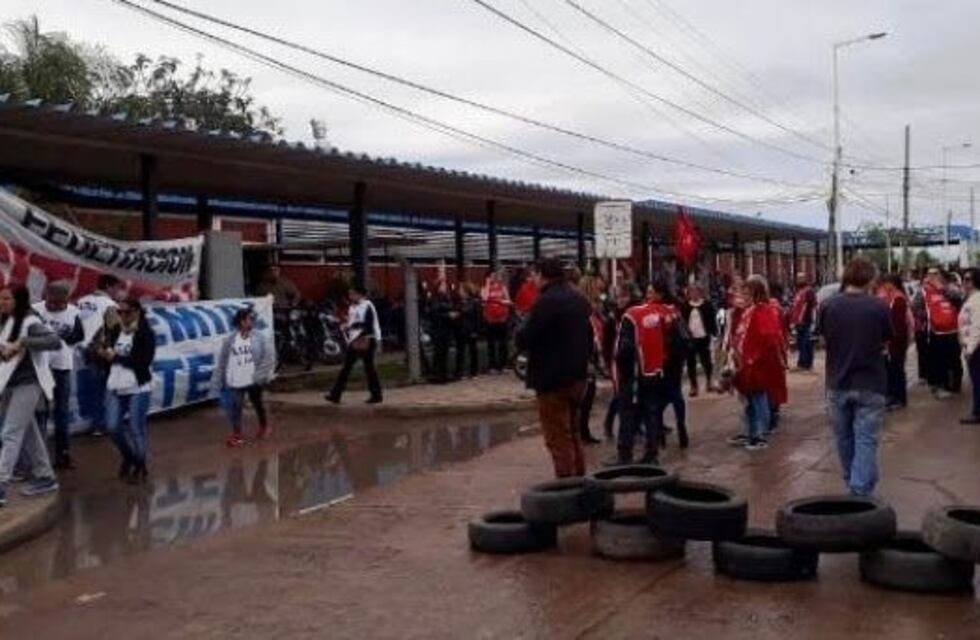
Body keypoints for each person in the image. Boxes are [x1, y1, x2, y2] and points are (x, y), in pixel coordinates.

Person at [817, 258, 891, 496]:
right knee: (866, 439)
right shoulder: (879, 306)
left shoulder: (828, 306)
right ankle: (859, 491)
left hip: (837, 381)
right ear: (870, 278)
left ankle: (854, 483)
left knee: (844, 438)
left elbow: (822, 339)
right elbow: (887, 339)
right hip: (871, 383)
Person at [515, 258, 592, 477]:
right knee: (574, 432)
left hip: (552, 380)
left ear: (542, 275)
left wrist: (521, 329)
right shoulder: (578, 299)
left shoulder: (546, 302)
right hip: (578, 377)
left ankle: (566, 487)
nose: (533, 279)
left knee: (557, 437)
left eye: (534, 275)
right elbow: (589, 336)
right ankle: (580, 480)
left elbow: (525, 338)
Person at [607, 279, 683, 466]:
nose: (618, 300)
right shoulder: (659, 313)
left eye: (621, 296)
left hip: (635, 374)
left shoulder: (631, 317)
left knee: (628, 413)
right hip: (654, 371)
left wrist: (623, 374)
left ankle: (625, 455)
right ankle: (652, 452)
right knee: (650, 412)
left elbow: (623, 351)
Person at [0, 284, 61, 507]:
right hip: (7, 383)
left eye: (7, 299)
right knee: (27, 431)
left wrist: (23, 343)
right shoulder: (4, 321)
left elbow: (54, 341)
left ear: (19, 300)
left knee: (10, 433)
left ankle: (1, 485)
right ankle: (45, 476)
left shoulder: (30, 322)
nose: (2, 303)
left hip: (28, 384)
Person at [91, 298, 156, 483]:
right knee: (112, 426)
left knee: (136, 427)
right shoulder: (116, 330)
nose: (123, 316)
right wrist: (103, 353)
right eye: (120, 312)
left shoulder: (145, 333)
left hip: (137, 385)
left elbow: (143, 361)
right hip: (115, 384)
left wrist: (116, 357)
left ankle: (140, 464)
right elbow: (104, 351)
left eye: (127, 312)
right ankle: (130, 456)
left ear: (136, 312)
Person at [729, 276, 784, 451]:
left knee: (758, 399)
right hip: (746, 362)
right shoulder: (749, 310)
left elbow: (768, 336)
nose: (742, 295)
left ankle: (760, 434)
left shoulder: (763, 310)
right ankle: (751, 433)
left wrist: (754, 357)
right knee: (750, 401)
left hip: (756, 363)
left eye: (746, 292)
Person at [33, 281, 84, 469]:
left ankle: (63, 455)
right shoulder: (35, 310)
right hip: (40, 367)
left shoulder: (74, 313)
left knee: (61, 411)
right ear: (45, 296)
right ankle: (39, 459)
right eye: (50, 302)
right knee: (41, 412)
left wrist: (60, 338)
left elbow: (79, 336)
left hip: (62, 366)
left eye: (58, 303)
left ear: (66, 300)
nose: (52, 306)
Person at [214, 308, 275, 446]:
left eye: (253, 319)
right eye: (249, 319)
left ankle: (264, 425)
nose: (252, 322)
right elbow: (223, 361)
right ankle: (237, 434)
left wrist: (261, 375)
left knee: (257, 403)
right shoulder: (230, 340)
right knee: (235, 406)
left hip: (254, 378)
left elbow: (269, 357)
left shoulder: (259, 337)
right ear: (241, 321)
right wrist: (220, 380)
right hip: (237, 379)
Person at [76, 273, 125, 435]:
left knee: (95, 390)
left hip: (86, 350)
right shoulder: (109, 304)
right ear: (109, 287)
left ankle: (97, 425)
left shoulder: (82, 301)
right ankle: (110, 423)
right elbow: (116, 328)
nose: (119, 291)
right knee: (110, 389)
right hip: (103, 352)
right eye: (117, 288)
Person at [326, 285, 383, 404]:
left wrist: (350, 326)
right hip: (355, 339)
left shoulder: (367, 305)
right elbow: (355, 322)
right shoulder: (352, 307)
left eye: (352, 293)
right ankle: (336, 394)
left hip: (366, 339)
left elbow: (367, 324)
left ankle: (375, 394)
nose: (350, 296)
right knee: (353, 367)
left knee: (366, 368)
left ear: (359, 294)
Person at [916, 269, 962, 398]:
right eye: (930, 273)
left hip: (953, 330)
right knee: (937, 360)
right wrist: (929, 316)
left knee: (954, 359)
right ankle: (939, 386)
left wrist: (942, 289)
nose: (933, 276)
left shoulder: (951, 288)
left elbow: (958, 299)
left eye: (936, 273)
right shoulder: (923, 291)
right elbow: (915, 307)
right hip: (935, 331)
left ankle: (954, 385)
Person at [878, 274, 911, 410]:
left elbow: (899, 325)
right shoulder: (891, 297)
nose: (884, 286)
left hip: (896, 342)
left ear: (892, 284)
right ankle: (892, 396)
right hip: (892, 342)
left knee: (896, 370)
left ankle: (899, 398)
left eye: (886, 283)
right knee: (890, 370)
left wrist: (891, 341)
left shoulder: (898, 300)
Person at [681, 283, 717, 396]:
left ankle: (709, 381)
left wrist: (713, 332)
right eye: (691, 292)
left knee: (706, 360)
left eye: (696, 291)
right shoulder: (685, 306)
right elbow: (682, 322)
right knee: (691, 362)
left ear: (700, 292)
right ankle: (693, 386)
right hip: (690, 338)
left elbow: (712, 319)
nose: (694, 294)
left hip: (703, 336)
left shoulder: (707, 305)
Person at [958, 268, 980, 424]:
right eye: (964, 279)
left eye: (968, 279)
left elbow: (977, 327)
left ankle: (977, 412)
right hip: (971, 345)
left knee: (977, 380)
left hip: (976, 347)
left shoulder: (977, 300)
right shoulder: (970, 298)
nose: (965, 282)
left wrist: (971, 349)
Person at [481, 272, 512, 373]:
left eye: (496, 276)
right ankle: (492, 366)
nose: (495, 278)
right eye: (492, 276)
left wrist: (502, 302)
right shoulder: (485, 288)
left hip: (502, 318)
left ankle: (503, 365)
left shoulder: (502, 287)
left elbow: (509, 301)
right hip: (490, 319)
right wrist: (487, 284)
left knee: (502, 343)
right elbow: (484, 298)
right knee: (491, 344)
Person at [427, 279, 455, 384]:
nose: (444, 287)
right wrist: (447, 315)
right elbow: (434, 313)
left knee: (444, 352)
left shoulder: (446, 298)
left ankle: (443, 374)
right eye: (442, 285)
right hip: (438, 329)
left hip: (445, 329)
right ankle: (437, 375)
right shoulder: (434, 299)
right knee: (438, 353)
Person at [454, 282, 481, 379]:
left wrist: (476, 331)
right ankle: (459, 372)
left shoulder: (474, 302)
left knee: (473, 351)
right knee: (460, 351)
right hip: (460, 330)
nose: (459, 292)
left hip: (470, 330)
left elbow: (478, 318)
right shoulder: (459, 302)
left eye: (461, 290)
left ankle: (474, 372)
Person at [790, 273, 817, 371]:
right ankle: (803, 363)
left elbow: (809, 306)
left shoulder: (808, 291)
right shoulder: (798, 292)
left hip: (806, 321)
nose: (799, 280)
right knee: (801, 342)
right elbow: (796, 307)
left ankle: (805, 364)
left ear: (805, 279)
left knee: (806, 342)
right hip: (798, 322)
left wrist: (803, 318)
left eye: (801, 278)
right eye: (798, 278)